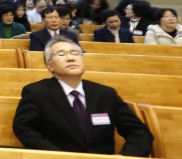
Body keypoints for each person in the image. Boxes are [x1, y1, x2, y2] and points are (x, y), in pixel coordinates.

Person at [12, 36, 153, 156]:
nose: (70, 58)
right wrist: (56, 156)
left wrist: (125, 158)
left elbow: (139, 132)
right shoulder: (37, 92)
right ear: (50, 66)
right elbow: (23, 128)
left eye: (75, 53)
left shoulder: (105, 94)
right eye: (61, 54)